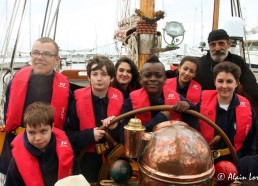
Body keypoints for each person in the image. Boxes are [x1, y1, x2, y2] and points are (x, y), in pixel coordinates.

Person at [0, 37, 72, 178]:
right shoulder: (15, 82)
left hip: (48, 149)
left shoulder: (65, 89)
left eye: (46, 54)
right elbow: (7, 112)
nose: (40, 57)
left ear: (57, 60)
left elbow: (69, 122)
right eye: (36, 53)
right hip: (16, 146)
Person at [64, 55, 123, 183]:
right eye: (95, 74)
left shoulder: (121, 100)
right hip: (85, 160)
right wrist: (90, 135)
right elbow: (67, 136)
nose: (99, 78)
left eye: (104, 74)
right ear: (89, 77)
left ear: (111, 78)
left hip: (113, 158)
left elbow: (125, 135)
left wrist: (115, 127)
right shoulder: (75, 101)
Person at [118, 55, 197, 143]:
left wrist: (188, 104)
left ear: (164, 79)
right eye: (147, 75)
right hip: (141, 153)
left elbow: (194, 129)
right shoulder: (130, 102)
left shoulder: (177, 99)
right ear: (141, 79)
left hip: (172, 152)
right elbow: (123, 138)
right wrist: (159, 120)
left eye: (158, 76)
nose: (153, 79)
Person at [4, 102, 80, 186]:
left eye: (43, 131)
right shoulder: (17, 159)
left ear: (52, 127)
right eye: (32, 132)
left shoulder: (67, 151)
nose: (38, 138)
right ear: (26, 130)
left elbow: (77, 179)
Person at [197, 62, 257, 163]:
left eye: (229, 81)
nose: (224, 86)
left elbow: (250, 144)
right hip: (205, 161)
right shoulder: (199, 103)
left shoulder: (249, 110)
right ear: (215, 82)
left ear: (237, 83)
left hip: (235, 161)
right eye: (220, 81)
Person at [194, 29, 258, 103]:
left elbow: (250, 85)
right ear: (209, 46)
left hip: (231, 106)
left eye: (221, 44)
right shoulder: (199, 63)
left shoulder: (238, 61)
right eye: (213, 44)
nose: (217, 48)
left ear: (228, 44)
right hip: (205, 105)